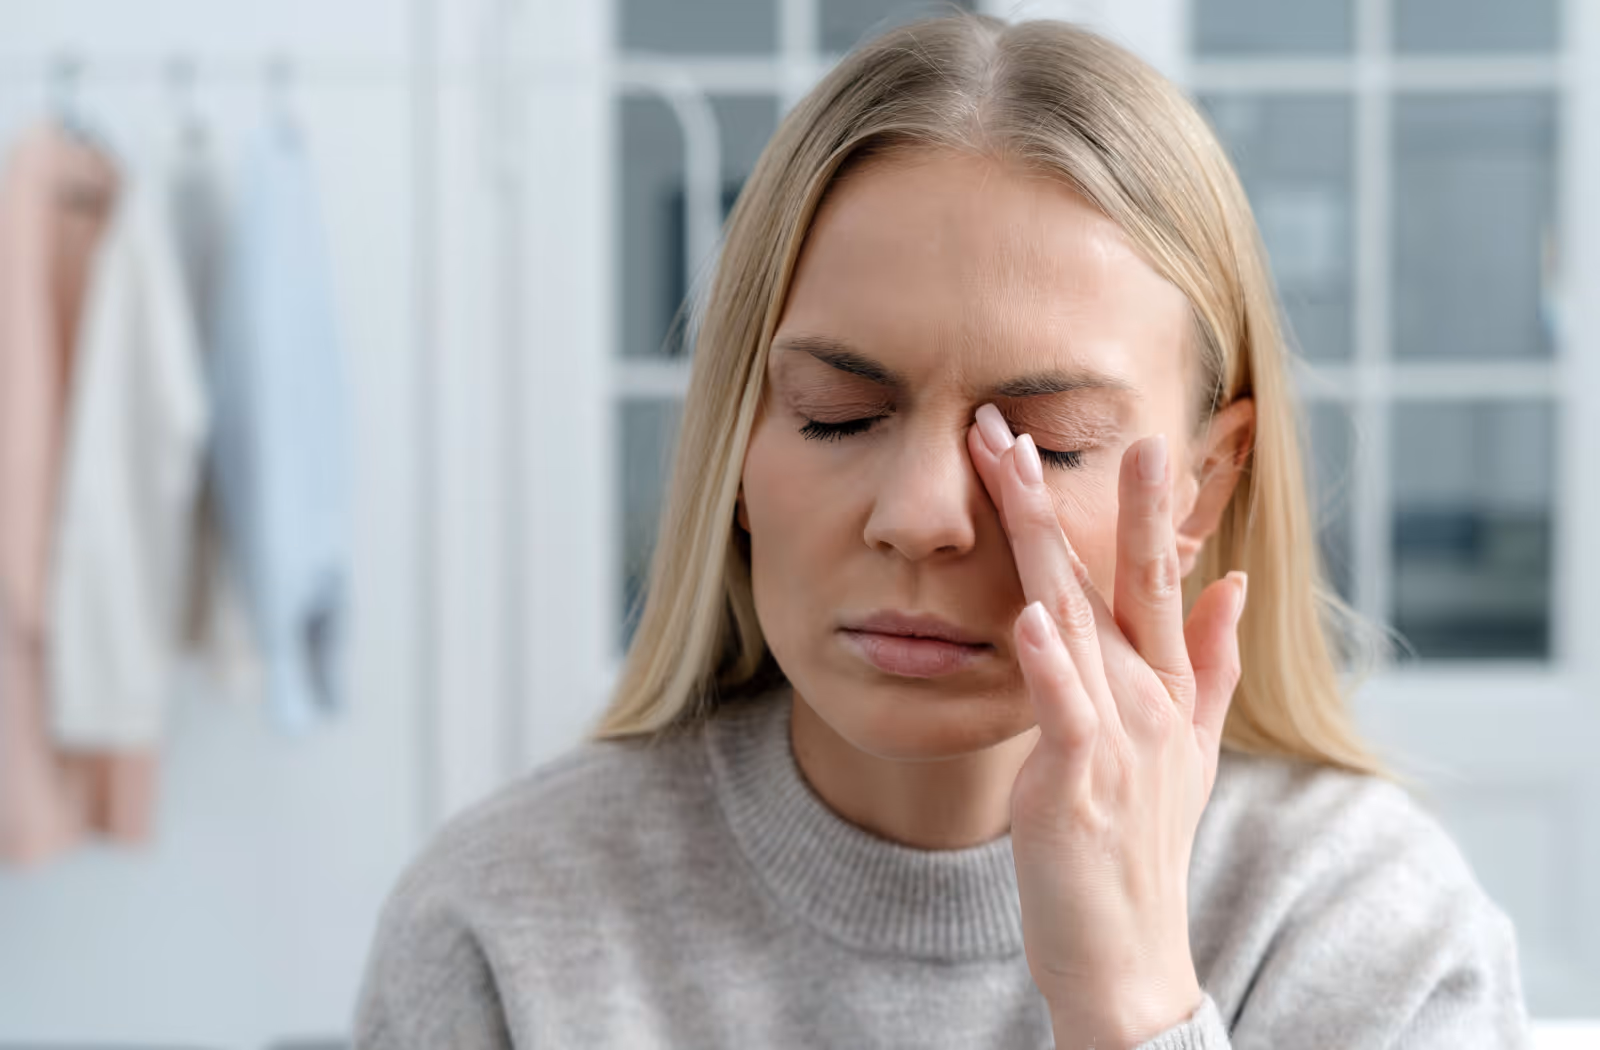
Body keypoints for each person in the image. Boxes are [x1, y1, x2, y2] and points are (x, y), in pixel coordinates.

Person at [353, 12, 1531, 1048]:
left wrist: (1131, 1006)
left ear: (1202, 486)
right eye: (837, 415)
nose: (919, 518)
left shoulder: (1362, 926)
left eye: (1045, 443)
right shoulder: (503, 925)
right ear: (740, 454)